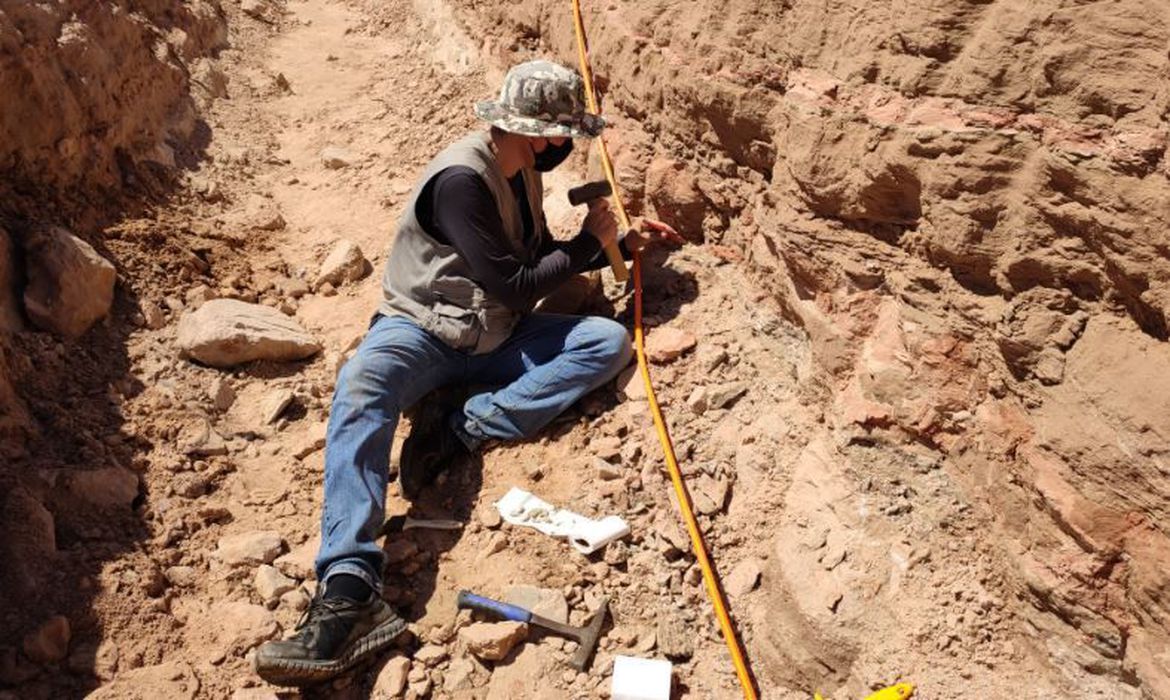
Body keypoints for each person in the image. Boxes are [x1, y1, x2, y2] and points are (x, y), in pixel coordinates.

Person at [253, 59, 680, 686]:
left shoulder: (519, 172)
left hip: (493, 333)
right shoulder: (461, 179)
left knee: (605, 341)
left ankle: (460, 427)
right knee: (363, 384)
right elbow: (513, 281)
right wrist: (588, 246)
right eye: (564, 138)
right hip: (422, 332)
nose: (565, 149)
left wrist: (621, 242)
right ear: (538, 134)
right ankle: (349, 589)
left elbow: (525, 261)